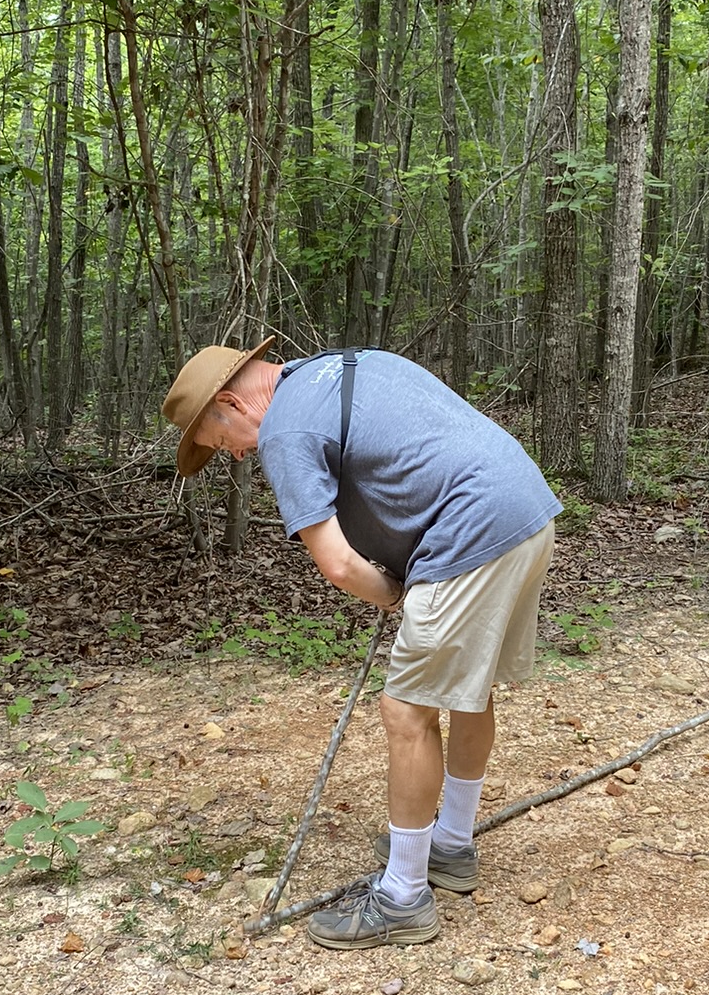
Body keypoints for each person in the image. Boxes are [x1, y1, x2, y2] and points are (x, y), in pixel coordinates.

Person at [163, 339, 560, 950]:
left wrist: (398, 593)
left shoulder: (285, 431)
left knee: (406, 711)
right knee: (466, 687)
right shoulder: (348, 364)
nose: (236, 455)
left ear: (232, 403)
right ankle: (450, 845)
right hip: (525, 512)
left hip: (470, 532)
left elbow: (340, 567)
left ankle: (403, 896)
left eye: (221, 441)